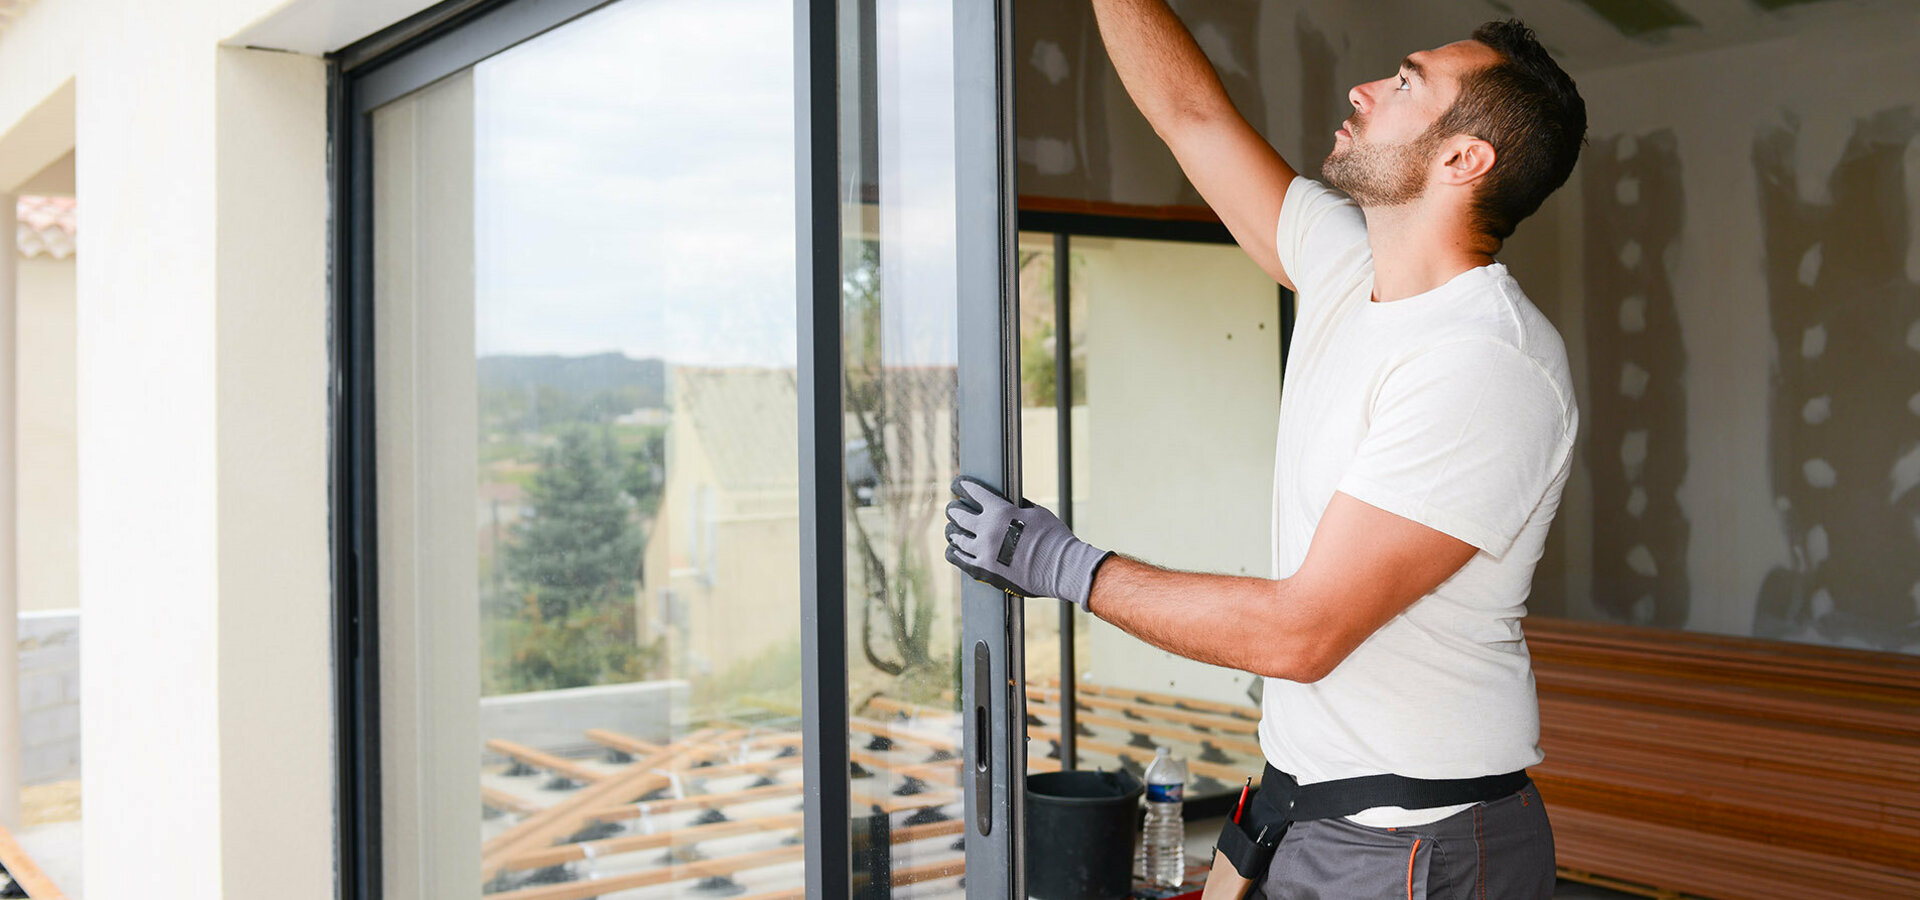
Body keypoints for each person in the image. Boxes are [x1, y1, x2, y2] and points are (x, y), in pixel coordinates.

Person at [942, 3, 1587, 898]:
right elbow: (1191, 115)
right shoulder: (1346, 268)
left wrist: (1063, 565)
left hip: (1414, 849)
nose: (1363, 88)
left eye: (1406, 84)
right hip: (1308, 816)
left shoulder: (1486, 362)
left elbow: (1303, 631)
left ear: (1461, 159)